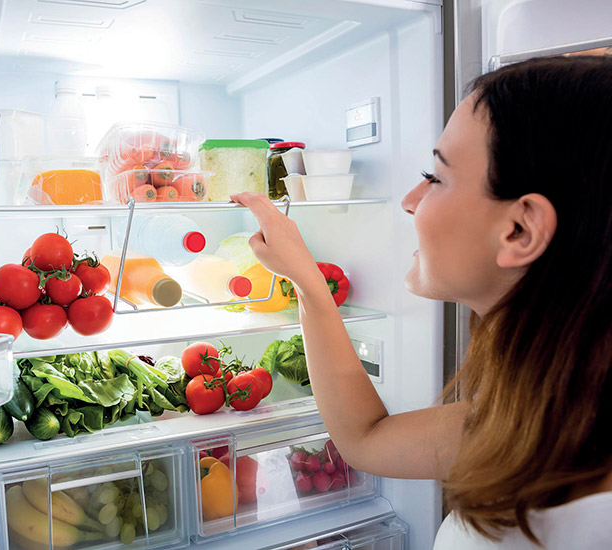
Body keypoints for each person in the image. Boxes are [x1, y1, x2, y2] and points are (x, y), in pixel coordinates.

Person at [232, 56, 612, 548]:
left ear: (520, 230)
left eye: (435, 177)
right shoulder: (552, 414)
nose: (411, 199)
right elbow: (366, 438)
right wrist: (308, 283)